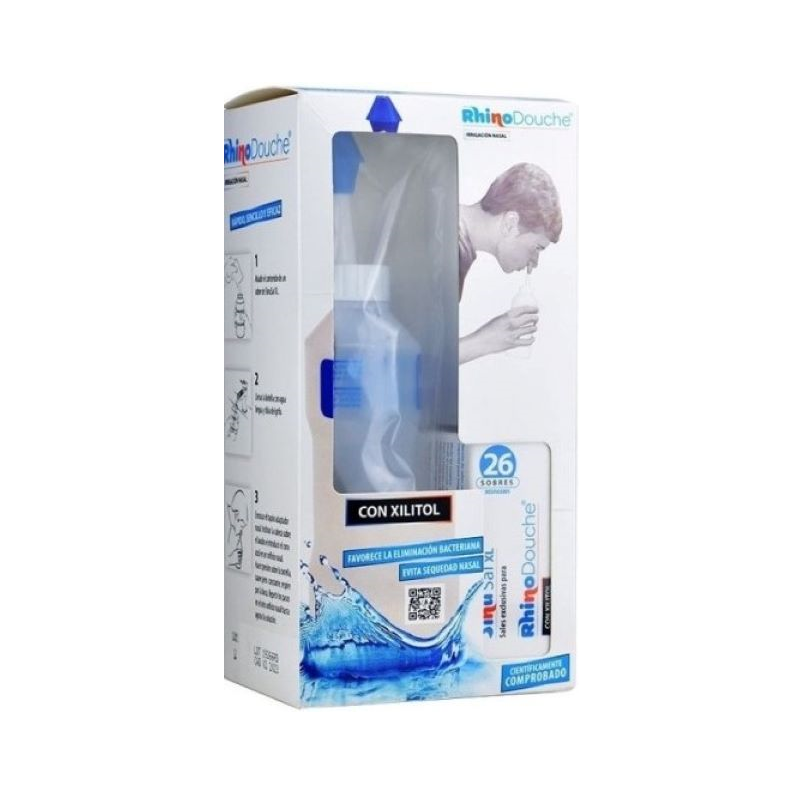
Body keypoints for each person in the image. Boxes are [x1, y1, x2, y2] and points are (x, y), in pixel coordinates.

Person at [458, 163, 562, 363]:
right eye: (537, 248)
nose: (533, 263)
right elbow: (420, 357)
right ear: (510, 223)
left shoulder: (452, 232)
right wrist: (485, 341)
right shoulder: (449, 247)